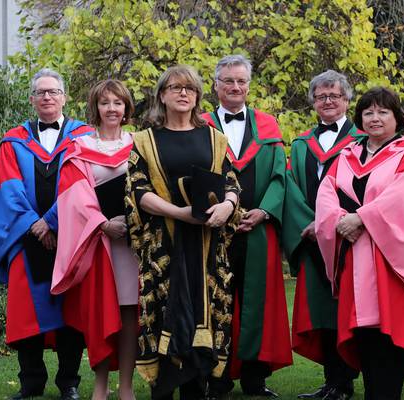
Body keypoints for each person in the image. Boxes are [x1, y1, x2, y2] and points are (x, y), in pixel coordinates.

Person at [125, 65, 240, 400]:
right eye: (175, 87)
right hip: (165, 245)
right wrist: (179, 214)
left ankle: (197, 388)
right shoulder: (144, 141)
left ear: (197, 96)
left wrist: (227, 206)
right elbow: (137, 190)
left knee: (204, 315)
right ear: (162, 95)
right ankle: (163, 390)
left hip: (207, 245)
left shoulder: (215, 139)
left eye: (189, 88)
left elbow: (232, 182)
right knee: (163, 315)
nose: (183, 93)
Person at [315, 87, 404, 400]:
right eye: (368, 112)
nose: (375, 118)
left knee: (387, 339)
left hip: (391, 266)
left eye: (383, 112)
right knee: (363, 337)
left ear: (397, 117)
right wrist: (340, 220)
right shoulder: (346, 156)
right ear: (360, 119)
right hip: (354, 261)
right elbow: (327, 196)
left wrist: (361, 218)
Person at [0, 68, 89, 400]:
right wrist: (36, 224)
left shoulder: (84, 137)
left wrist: (53, 221)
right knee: (27, 315)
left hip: (71, 238)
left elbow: (84, 185)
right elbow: (7, 188)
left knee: (70, 314)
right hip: (26, 239)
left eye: (54, 91)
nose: (47, 97)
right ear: (32, 99)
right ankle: (30, 384)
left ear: (64, 97)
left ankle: (69, 384)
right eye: (41, 92)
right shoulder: (14, 140)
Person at [202, 54, 292, 398]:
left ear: (249, 86)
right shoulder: (201, 124)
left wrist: (265, 212)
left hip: (258, 229)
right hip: (215, 229)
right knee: (214, 301)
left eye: (241, 81)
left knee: (258, 302)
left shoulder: (268, 125)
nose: (235, 87)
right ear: (216, 86)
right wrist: (218, 211)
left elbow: (279, 176)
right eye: (228, 81)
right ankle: (217, 377)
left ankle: (255, 378)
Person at [51, 79, 138, 400]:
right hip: (98, 244)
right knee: (102, 312)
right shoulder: (80, 149)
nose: (112, 108)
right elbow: (73, 196)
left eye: (118, 102)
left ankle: (126, 387)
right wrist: (102, 223)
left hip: (133, 246)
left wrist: (130, 221)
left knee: (130, 314)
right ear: (96, 108)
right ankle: (100, 387)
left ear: (126, 108)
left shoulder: (141, 146)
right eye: (105, 103)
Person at [283, 70, 361, 400]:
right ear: (313, 102)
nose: (327, 101)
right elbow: (292, 189)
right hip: (312, 239)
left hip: (349, 236)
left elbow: (363, 187)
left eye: (334, 95)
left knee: (349, 310)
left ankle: (348, 380)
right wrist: (311, 225)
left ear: (347, 100)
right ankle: (332, 383)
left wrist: (329, 222)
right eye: (321, 96)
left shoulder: (362, 140)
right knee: (323, 313)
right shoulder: (301, 144)